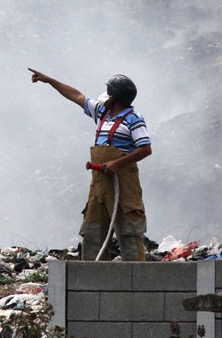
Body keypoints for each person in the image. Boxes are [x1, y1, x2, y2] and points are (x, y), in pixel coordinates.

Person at [29, 68, 152, 261]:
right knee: (93, 230)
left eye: (109, 92)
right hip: (99, 184)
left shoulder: (133, 119)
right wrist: (49, 80)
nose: (105, 96)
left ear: (116, 98)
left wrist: (117, 163)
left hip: (123, 184)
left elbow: (145, 148)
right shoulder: (103, 114)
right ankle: (93, 273)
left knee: (128, 229)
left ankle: (136, 273)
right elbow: (76, 95)